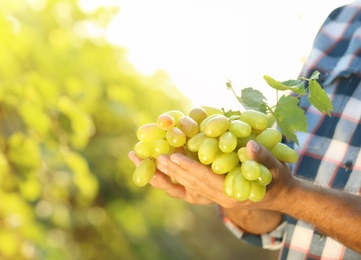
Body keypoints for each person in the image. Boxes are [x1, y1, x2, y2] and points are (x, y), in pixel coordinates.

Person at [129, 1, 361, 259]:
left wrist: (290, 195)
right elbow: (274, 223)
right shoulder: (341, 22)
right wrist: (233, 196)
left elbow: (290, 196)